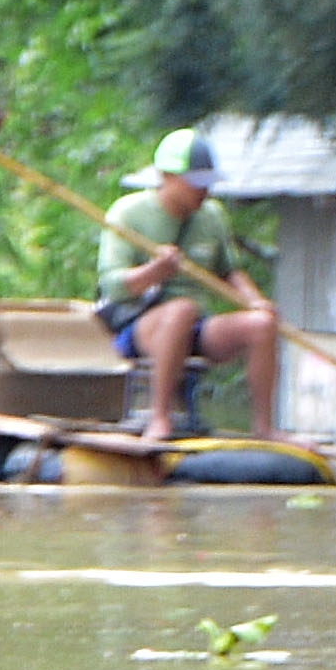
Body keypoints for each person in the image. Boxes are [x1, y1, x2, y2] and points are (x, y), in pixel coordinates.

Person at [95, 129, 271, 441]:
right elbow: (113, 286)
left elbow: (229, 271)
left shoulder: (213, 216)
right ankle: (160, 417)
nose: (204, 193)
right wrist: (154, 271)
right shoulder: (128, 213)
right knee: (181, 310)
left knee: (262, 324)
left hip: (197, 327)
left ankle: (265, 427)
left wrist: (255, 301)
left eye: (208, 184)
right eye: (196, 184)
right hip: (143, 325)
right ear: (167, 177)